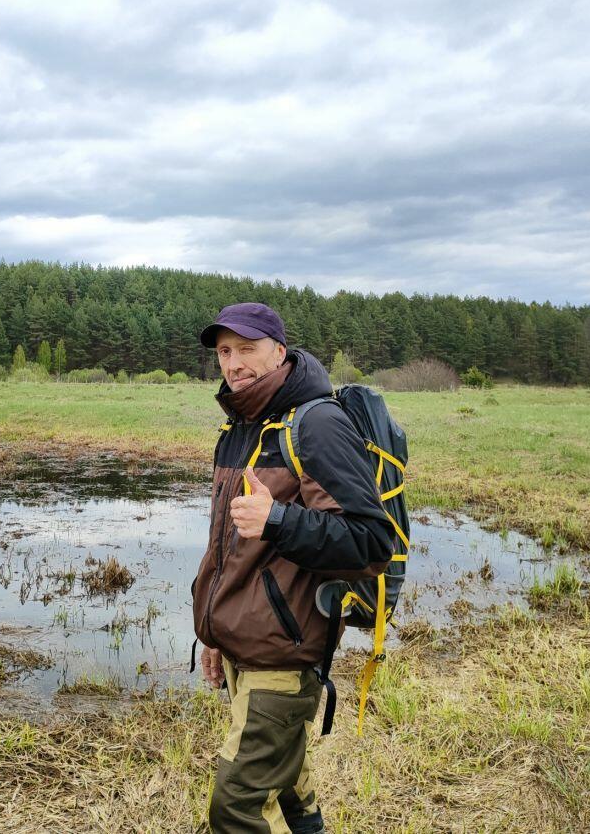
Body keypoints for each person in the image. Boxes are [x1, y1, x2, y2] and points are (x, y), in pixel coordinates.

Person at [193, 302, 395, 834]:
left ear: (280, 351)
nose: (233, 364)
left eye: (247, 349)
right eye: (224, 352)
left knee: (237, 809)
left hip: (284, 654)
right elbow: (226, 549)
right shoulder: (241, 425)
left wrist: (279, 520)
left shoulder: (317, 424)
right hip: (247, 643)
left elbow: (372, 542)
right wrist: (213, 632)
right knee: (286, 795)